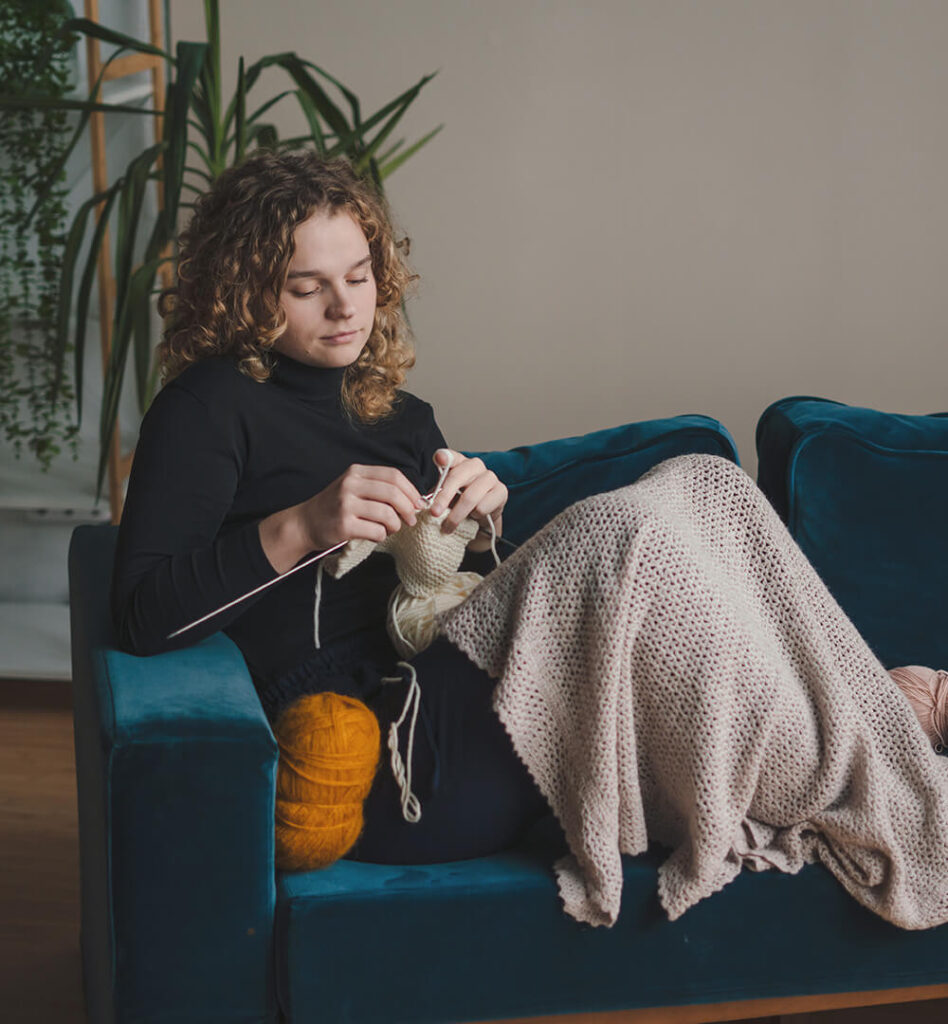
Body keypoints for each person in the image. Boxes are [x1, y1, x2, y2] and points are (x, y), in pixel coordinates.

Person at [111, 149, 552, 864]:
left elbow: (452, 593)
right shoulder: (207, 409)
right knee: (638, 528)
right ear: (245, 292)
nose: (346, 306)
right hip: (370, 760)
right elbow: (141, 617)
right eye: (307, 287)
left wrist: (485, 529)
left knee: (684, 492)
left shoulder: (403, 417)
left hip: (469, 698)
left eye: (359, 276)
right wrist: (302, 526)